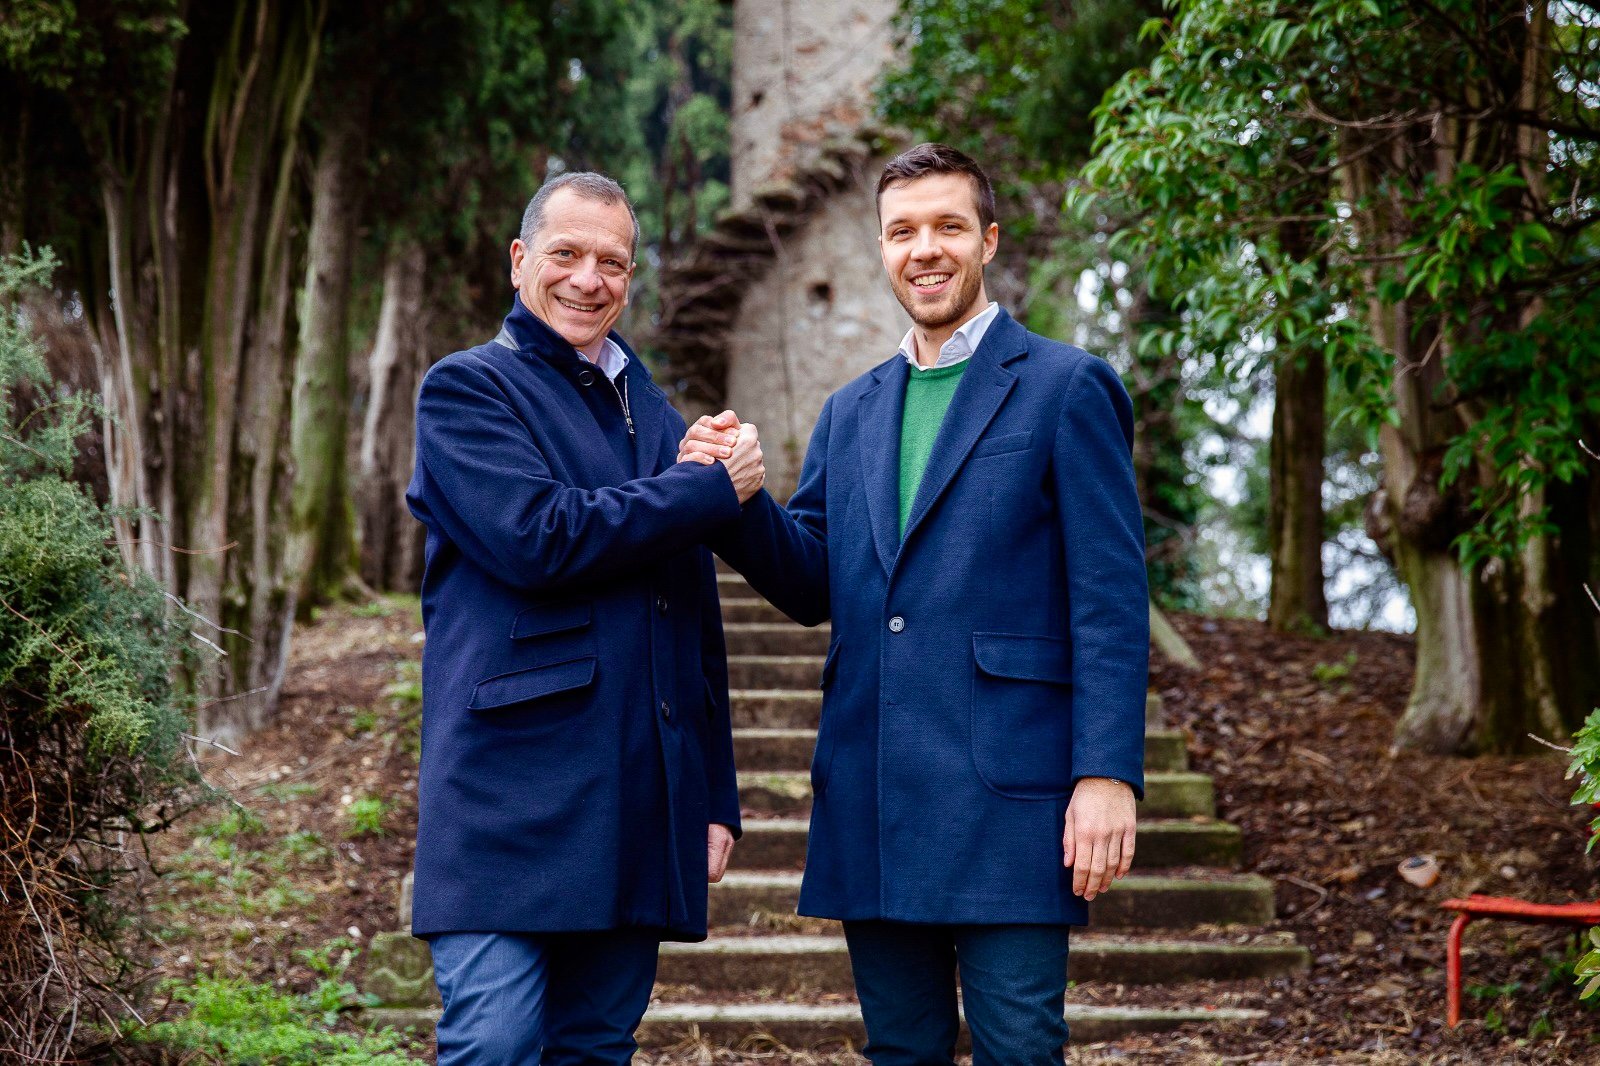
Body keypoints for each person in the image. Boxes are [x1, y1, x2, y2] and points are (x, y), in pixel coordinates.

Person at [681, 143, 1149, 1065]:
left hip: (1013, 798)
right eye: (902, 231)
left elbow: (1109, 599)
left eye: (947, 227)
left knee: (1022, 1049)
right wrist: (734, 499)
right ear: (883, 249)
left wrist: (1106, 775)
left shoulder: (1066, 386)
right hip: (874, 794)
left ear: (988, 240)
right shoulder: (850, 410)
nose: (924, 249)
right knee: (900, 1051)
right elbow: (812, 583)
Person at [405, 171, 766, 1065]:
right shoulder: (466, 389)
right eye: (565, 254)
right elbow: (539, 537)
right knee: (493, 1045)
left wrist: (714, 792)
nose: (588, 279)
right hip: (506, 798)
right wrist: (703, 488)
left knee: (598, 1048)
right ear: (520, 259)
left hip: (638, 797)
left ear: (631, 278)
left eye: (612, 263)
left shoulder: (653, 412)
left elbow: (690, 610)